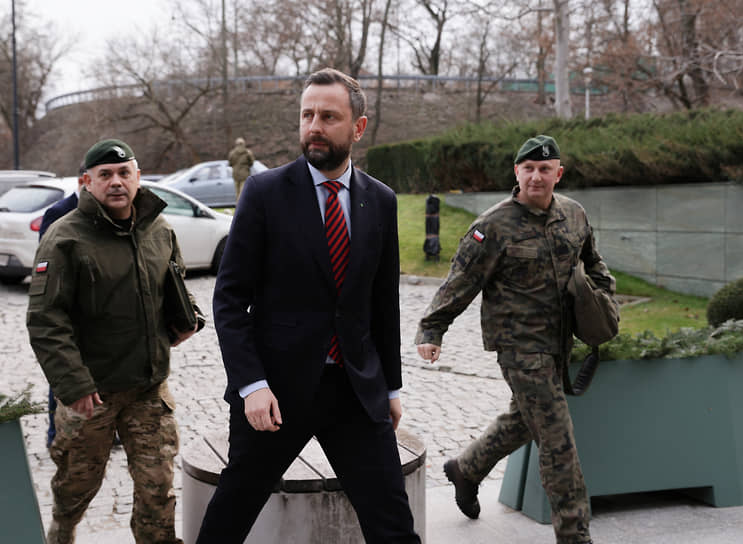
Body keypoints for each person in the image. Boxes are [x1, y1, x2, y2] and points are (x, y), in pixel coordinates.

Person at [196, 68, 420, 543]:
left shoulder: (380, 200)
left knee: (394, 526)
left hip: (355, 391)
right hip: (275, 393)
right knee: (228, 520)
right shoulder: (263, 193)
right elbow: (230, 300)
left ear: (358, 127)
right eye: (307, 115)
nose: (314, 126)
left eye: (328, 117)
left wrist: (391, 388)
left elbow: (383, 303)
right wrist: (251, 385)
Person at [416, 135, 613, 544]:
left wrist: (604, 301)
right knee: (557, 440)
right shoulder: (493, 226)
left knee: (525, 420)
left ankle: (465, 469)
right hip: (519, 347)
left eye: (545, 169)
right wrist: (433, 329)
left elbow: (594, 264)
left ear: (558, 173)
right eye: (529, 169)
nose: (536, 176)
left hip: (560, 341)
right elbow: (460, 281)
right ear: (517, 172)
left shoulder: (574, 214)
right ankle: (575, 535)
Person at [27, 138, 204, 544]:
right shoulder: (64, 238)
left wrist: (189, 317)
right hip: (92, 395)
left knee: (158, 489)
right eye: (105, 175)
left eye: (125, 173)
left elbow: (174, 283)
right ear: (86, 182)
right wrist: (74, 385)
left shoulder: (159, 228)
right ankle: (61, 535)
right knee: (75, 488)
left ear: (138, 177)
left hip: (148, 389)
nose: (117, 182)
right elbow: (45, 318)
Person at [40, 162, 87, 449]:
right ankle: (54, 433)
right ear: (83, 181)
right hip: (68, 309)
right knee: (62, 374)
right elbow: (46, 259)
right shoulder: (58, 212)